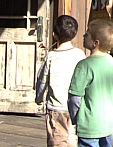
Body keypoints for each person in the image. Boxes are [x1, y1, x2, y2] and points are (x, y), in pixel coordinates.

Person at [68, 20, 113, 147]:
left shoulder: (84, 65)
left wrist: (75, 118)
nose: (83, 36)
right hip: (108, 124)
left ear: (95, 43)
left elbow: (75, 98)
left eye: (87, 34)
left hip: (89, 125)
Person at [37, 15, 87, 147]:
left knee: (57, 140)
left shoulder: (51, 56)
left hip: (56, 107)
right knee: (73, 138)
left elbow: (42, 80)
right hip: (76, 105)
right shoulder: (80, 54)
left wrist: (39, 97)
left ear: (54, 34)